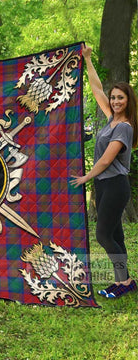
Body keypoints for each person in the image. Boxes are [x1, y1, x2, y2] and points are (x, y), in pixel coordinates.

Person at [70, 45, 138, 298]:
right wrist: (87, 59)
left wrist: (86, 177)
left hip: (115, 185)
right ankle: (124, 282)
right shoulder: (111, 119)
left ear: (129, 100)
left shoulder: (125, 128)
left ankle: (125, 281)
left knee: (103, 235)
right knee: (116, 236)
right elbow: (97, 89)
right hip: (104, 184)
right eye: (114, 98)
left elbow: (108, 159)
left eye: (121, 98)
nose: (115, 101)